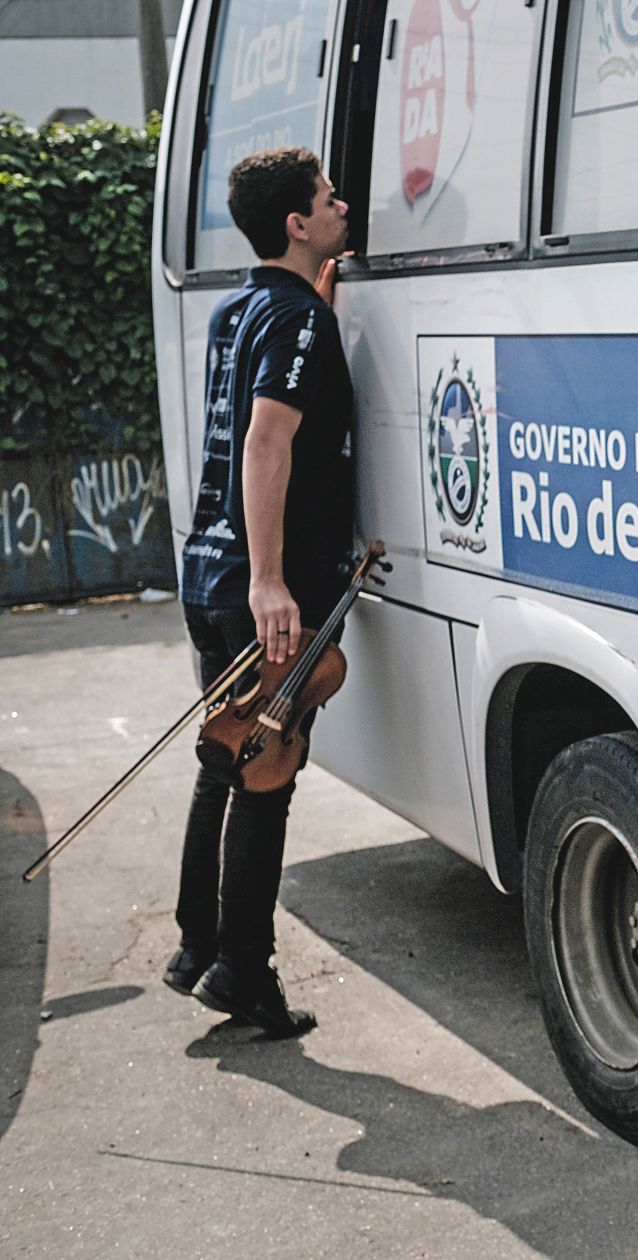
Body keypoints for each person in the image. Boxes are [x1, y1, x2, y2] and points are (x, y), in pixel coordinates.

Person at [162, 147, 355, 1039]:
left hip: (208, 571)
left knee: (224, 753)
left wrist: (320, 314)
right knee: (267, 775)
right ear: (296, 222)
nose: (341, 204)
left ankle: (196, 948)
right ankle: (244, 969)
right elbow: (267, 444)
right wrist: (273, 580)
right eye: (326, 198)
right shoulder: (296, 321)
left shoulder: (244, 310)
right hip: (261, 588)